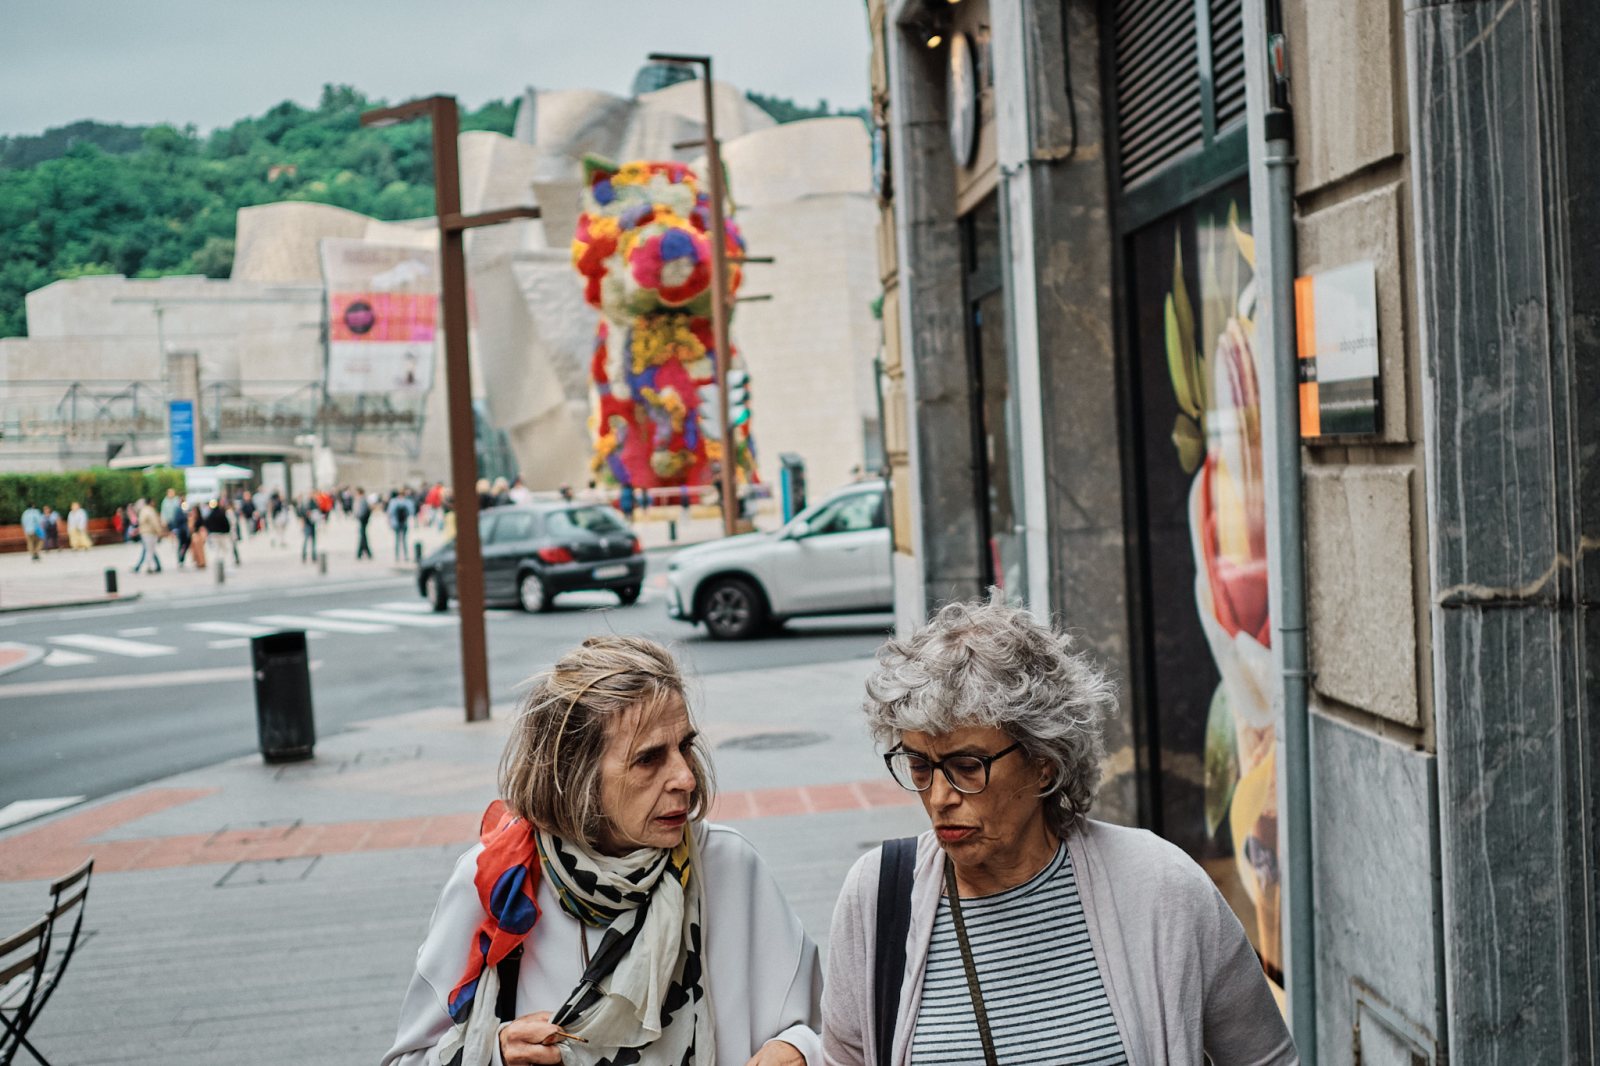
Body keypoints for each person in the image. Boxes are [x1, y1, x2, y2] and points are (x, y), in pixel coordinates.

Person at [822, 596, 1297, 1066]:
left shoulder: (1161, 887)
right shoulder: (877, 897)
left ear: (1043, 765)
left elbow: (1265, 1057)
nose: (939, 796)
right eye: (920, 765)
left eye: (967, 766)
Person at [381, 636, 820, 1066]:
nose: (685, 777)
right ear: (576, 774)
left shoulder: (728, 866)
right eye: (649, 759)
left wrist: (797, 1050)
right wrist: (493, 1052)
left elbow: (828, 1031)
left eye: (684, 747)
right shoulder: (497, 879)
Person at [133, 497, 165, 574]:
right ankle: (149, 566)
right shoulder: (150, 511)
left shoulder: (143, 510)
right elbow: (154, 522)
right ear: (150, 502)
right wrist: (159, 531)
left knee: (149, 550)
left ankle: (153, 566)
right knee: (150, 550)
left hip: (144, 532)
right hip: (150, 533)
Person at [205, 497, 240, 565]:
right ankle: (225, 565)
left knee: (218, 551)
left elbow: (207, 523)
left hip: (215, 534)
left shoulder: (212, 514)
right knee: (225, 550)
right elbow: (226, 524)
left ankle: (219, 564)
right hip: (222, 535)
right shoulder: (221, 513)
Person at [387, 489, 414, 562]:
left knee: (397, 540)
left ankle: (397, 556)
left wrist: (389, 522)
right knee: (404, 540)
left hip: (396, 523)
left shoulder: (393, 502)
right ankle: (405, 556)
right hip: (404, 522)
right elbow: (411, 511)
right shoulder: (407, 501)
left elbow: (390, 512)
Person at [297, 494, 319, 563]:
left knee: (312, 542)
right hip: (307, 525)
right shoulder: (305, 505)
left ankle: (313, 556)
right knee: (306, 541)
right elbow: (301, 514)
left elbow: (317, 512)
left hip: (312, 525)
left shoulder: (314, 503)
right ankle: (305, 556)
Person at [354, 486, 374, 560]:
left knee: (363, 537)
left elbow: (361, 512)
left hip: (363, 521)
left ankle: (361, 553)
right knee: (363, 537)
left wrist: (357, 516)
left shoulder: (362, 500)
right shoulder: (364, 499)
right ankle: (366, 553)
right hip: (363, 521)